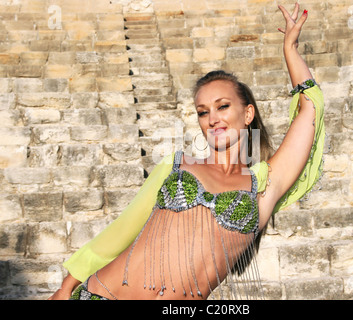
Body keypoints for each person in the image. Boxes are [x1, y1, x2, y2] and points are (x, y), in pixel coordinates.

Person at [49, 3, 325, 300]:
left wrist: (290, 51)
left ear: (247, 114)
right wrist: (66, 287)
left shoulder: (264, 185)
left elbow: (310, 109)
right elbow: (122, 229)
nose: (213, 118)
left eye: (223, 106)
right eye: (203, 112)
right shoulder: (178, 165)